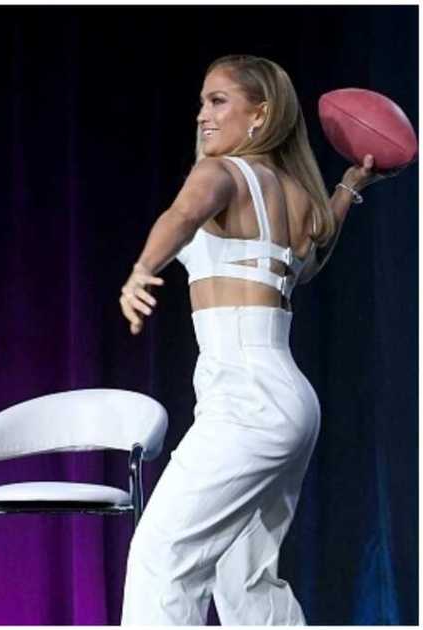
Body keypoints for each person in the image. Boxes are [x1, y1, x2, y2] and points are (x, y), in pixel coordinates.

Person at [117, 55, 397, 624]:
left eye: (217, 101)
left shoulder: (219, 173)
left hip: (245, 402)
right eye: (201, 102)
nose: (202, 115)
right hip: (287, 403)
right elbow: (307, 263)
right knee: (243, 577)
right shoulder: (294, 194)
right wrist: (347, 187)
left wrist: (143, 268)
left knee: (161, 557)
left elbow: (181, 215)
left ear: (260, 114)